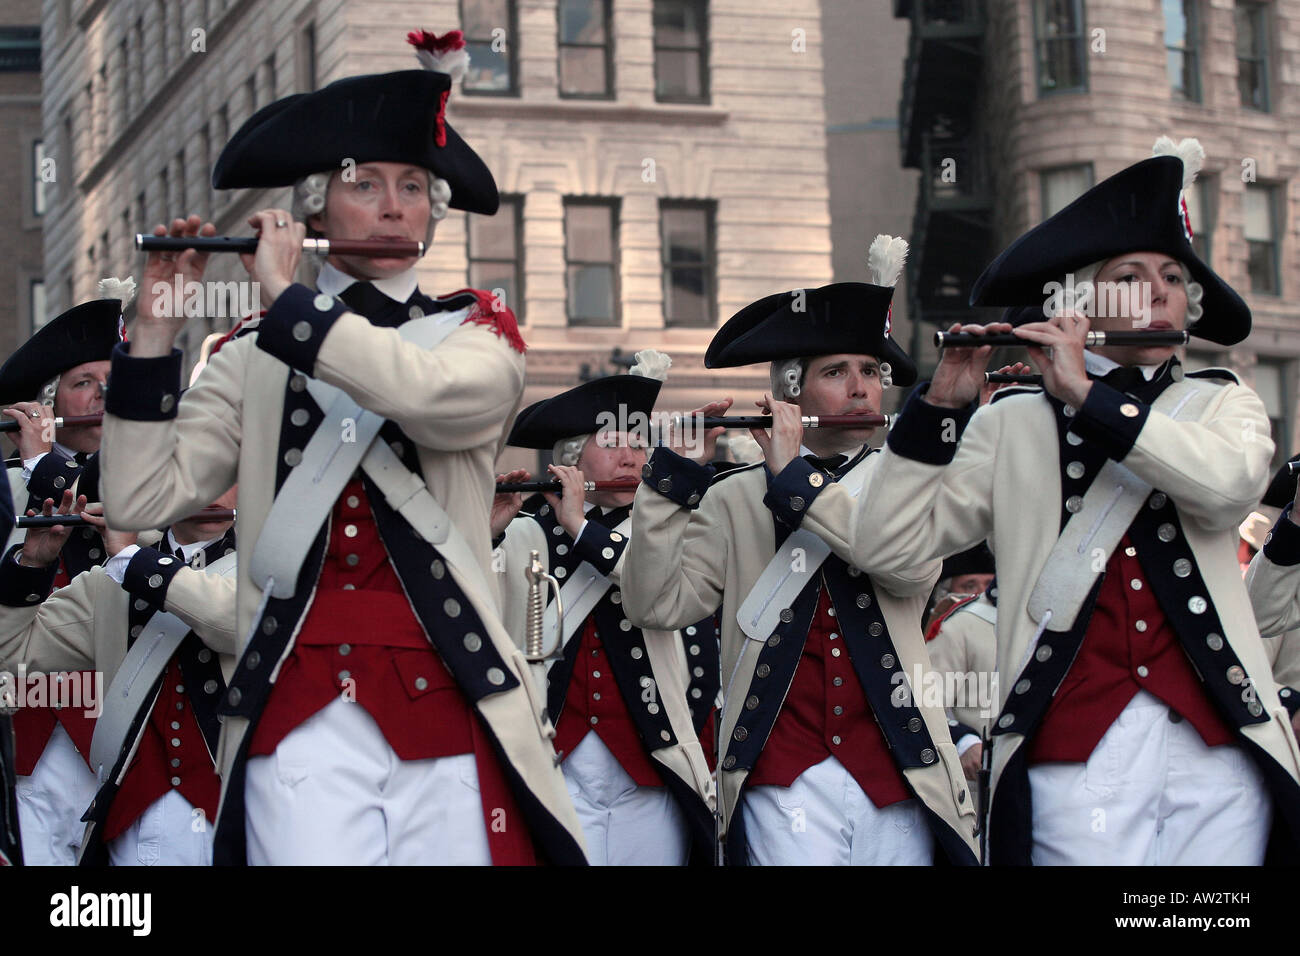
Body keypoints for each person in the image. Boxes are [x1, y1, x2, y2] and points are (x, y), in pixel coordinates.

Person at [99, 29, 585, 865]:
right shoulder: (252, 354)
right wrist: (151, 335)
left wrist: (292, 303)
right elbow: (141, 500)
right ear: (315, 207)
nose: (397, 205)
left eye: (413, 187)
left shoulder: (478, 336)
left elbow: (422, 395)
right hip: (297, 701)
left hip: (454, 686)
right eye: (367, 185)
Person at [841, 137, 1300, 865]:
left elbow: (1225, 489)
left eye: (1174, 277)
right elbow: (886, 550)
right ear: (1081, 302)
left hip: (1220, 739)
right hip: (1073, 747)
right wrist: (939, 408)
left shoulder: (1223, 403)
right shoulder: (1011, 420)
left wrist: (1088, 399)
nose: (1159, 290)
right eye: (1131, 275)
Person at [621, 236, 979, 865]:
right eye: (837, 372)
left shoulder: (907, 480)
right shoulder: (733, 498)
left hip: (899, 764)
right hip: (779, 771)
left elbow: (907, 568)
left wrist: (794, 480)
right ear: (792, 393)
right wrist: (666, 486)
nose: (862, 387)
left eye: (870, 371)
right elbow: (655, 606)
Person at [492, 351, 716, 864]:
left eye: (640, 443)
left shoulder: (673, 526)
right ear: (572, 458)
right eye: (613, 442)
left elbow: (655, 584)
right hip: (556, 764)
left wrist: (582, 530)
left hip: (651, 766)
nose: (631, 457)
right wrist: (490, 530)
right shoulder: (529, 530)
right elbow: (475, 607)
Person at [0, 489, 237, 865]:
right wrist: (31, 568)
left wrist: (132, 559)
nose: (213, 490)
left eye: (229, 475)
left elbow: (233, 621)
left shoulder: (272, 566)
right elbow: (10, 655)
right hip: (131, 824)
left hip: (238, 818)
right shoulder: (109, 583)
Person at [0, 288, 126, 864]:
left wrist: (42, 464)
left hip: (121, 727)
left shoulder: (151, 475)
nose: (104, 392)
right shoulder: (7, 487)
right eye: (84, 382)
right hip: (26, 724)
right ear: (47, 405)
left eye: (113, 377)